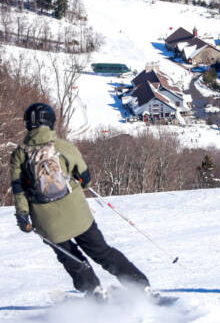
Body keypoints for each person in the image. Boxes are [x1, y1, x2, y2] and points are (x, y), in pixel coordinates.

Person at [11, 102, 150, 299]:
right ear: (50, 122)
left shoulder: (19, 155)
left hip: (47, 222)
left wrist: (23, 216)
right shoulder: (63, 146)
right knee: (102, 252)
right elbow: (85, 178)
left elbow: (19, 190)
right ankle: (139, 286)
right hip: (78, 215)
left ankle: (93, 290)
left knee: (70, 257)